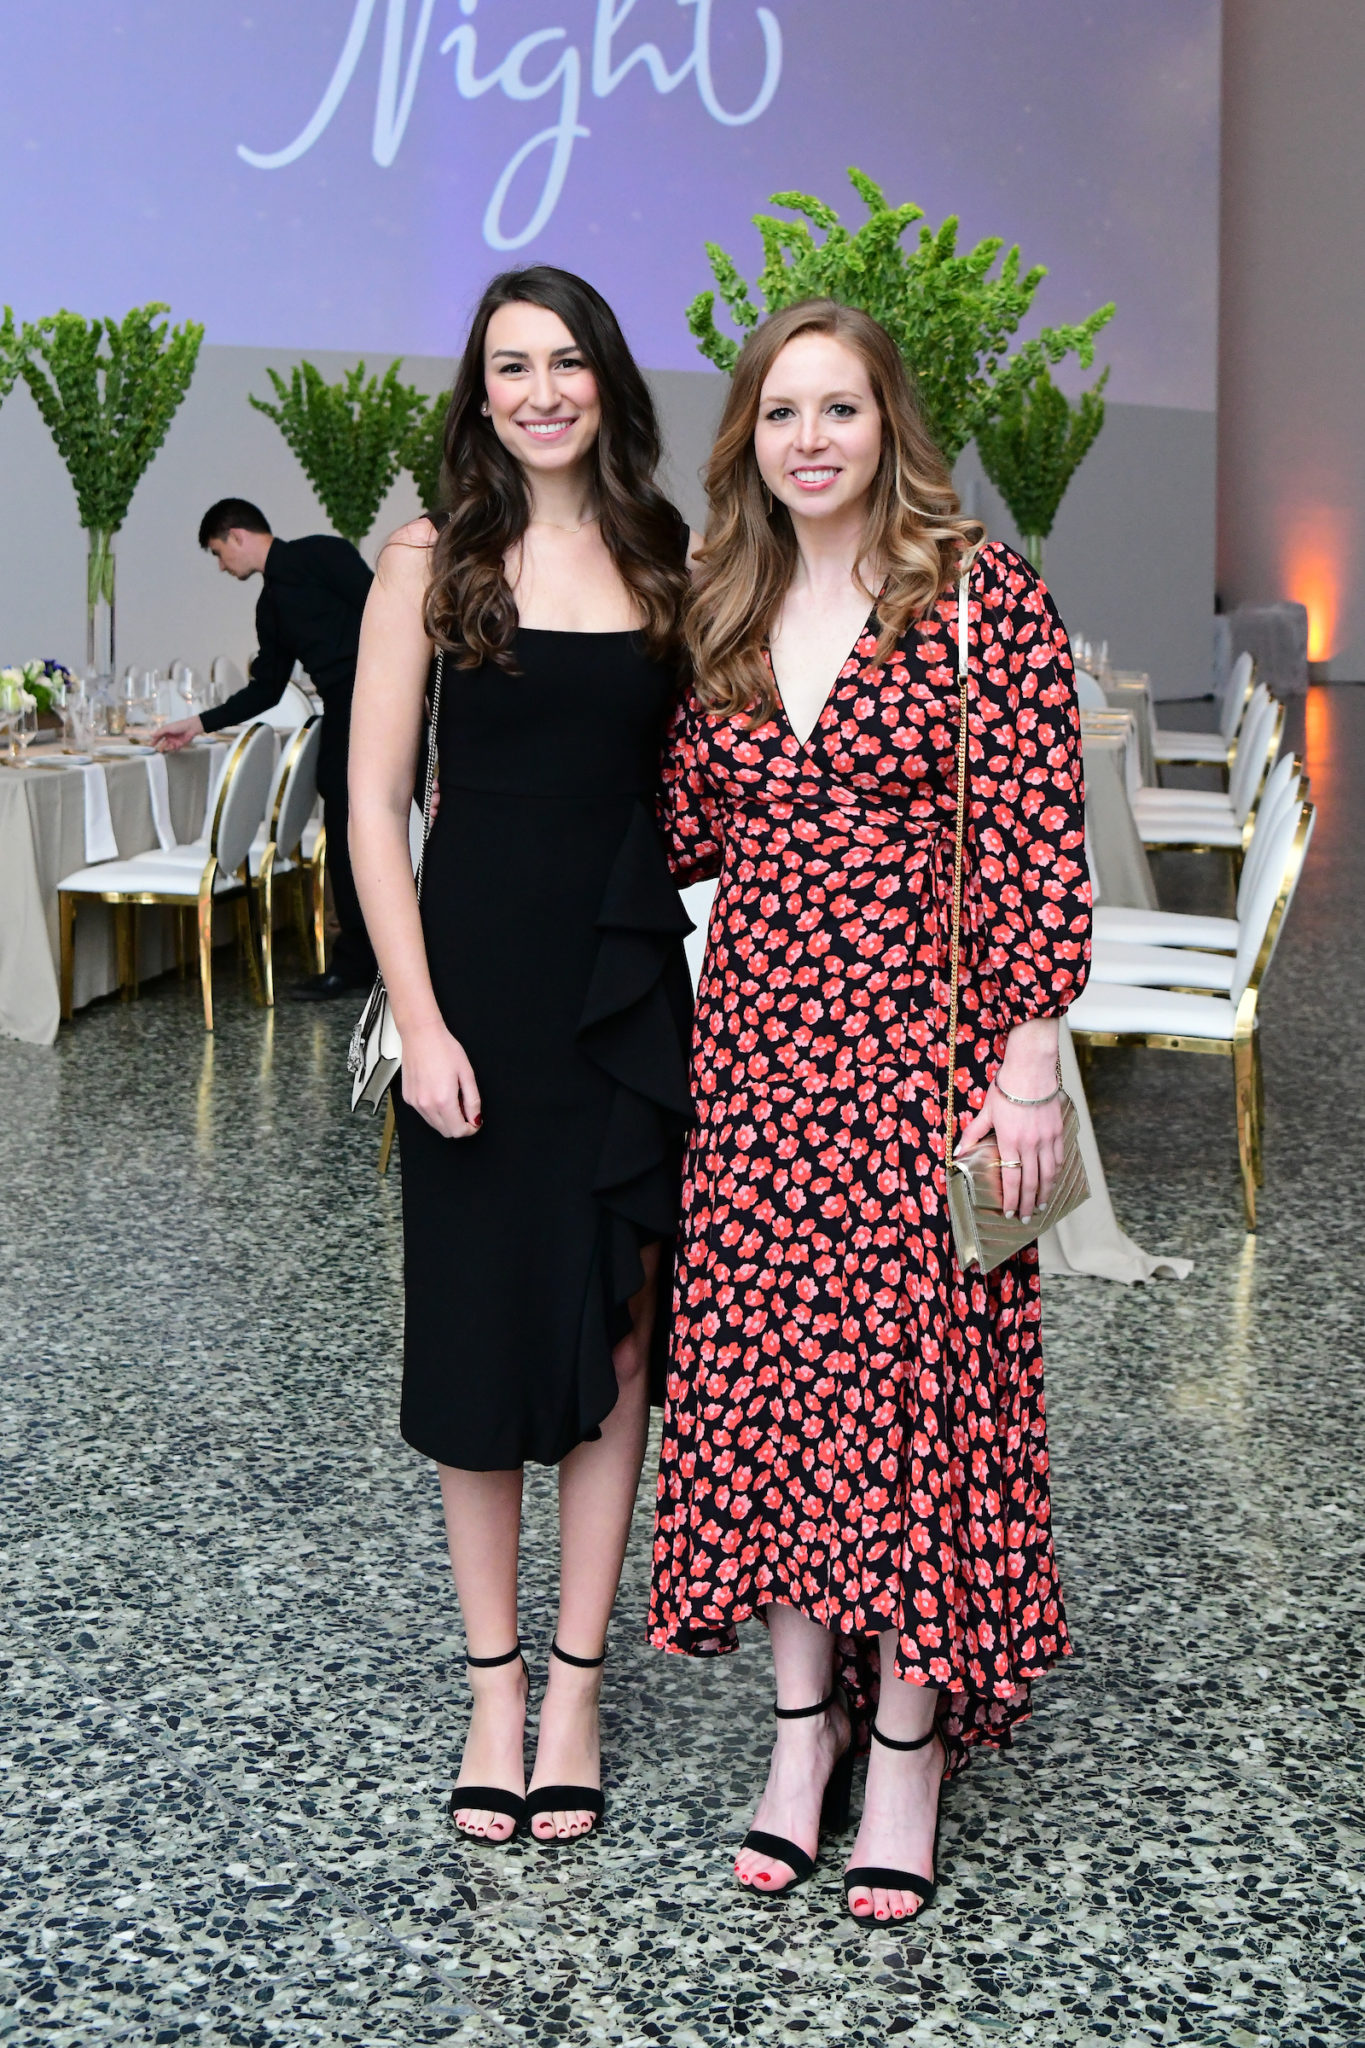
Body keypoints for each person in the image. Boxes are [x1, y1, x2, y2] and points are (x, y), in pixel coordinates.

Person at [647, 299, 1092, 1923]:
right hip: (759, 1071)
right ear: (749, 439)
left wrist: (1027, 1063)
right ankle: (796, 1737)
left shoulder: (980, 600)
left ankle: (903, 1748)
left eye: (840, 408)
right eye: (781, 412)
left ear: (890, 424)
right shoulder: (726, 607)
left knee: (915, 1405)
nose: (811, 438)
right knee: (779, 1400)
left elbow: (1043, 836)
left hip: (925, 1062)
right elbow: (677, 828)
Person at [348, 267, 694, 1846]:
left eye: (565, 362)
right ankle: (493, 1684)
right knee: (482, 1337)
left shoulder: (664, 556)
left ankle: (574, 1684)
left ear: (603, 380)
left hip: (621, 997)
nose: (540, 389)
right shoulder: (431, 556)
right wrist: (418, 1024)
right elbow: (369, 810)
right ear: (477, 392)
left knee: (621, 1343)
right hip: (473, 991)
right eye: (510, 366)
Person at [156, 500, 376, 998]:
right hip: (344, 708)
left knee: (372, 823)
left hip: (382, 698)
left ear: (236, 536)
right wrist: (198, 723)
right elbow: (267, 689)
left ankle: (384, 956)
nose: (221, 566)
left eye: (218, 553)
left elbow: (383, 611)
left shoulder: (323, 554)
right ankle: (359, 961)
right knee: (344, 829)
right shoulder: (270, 604)